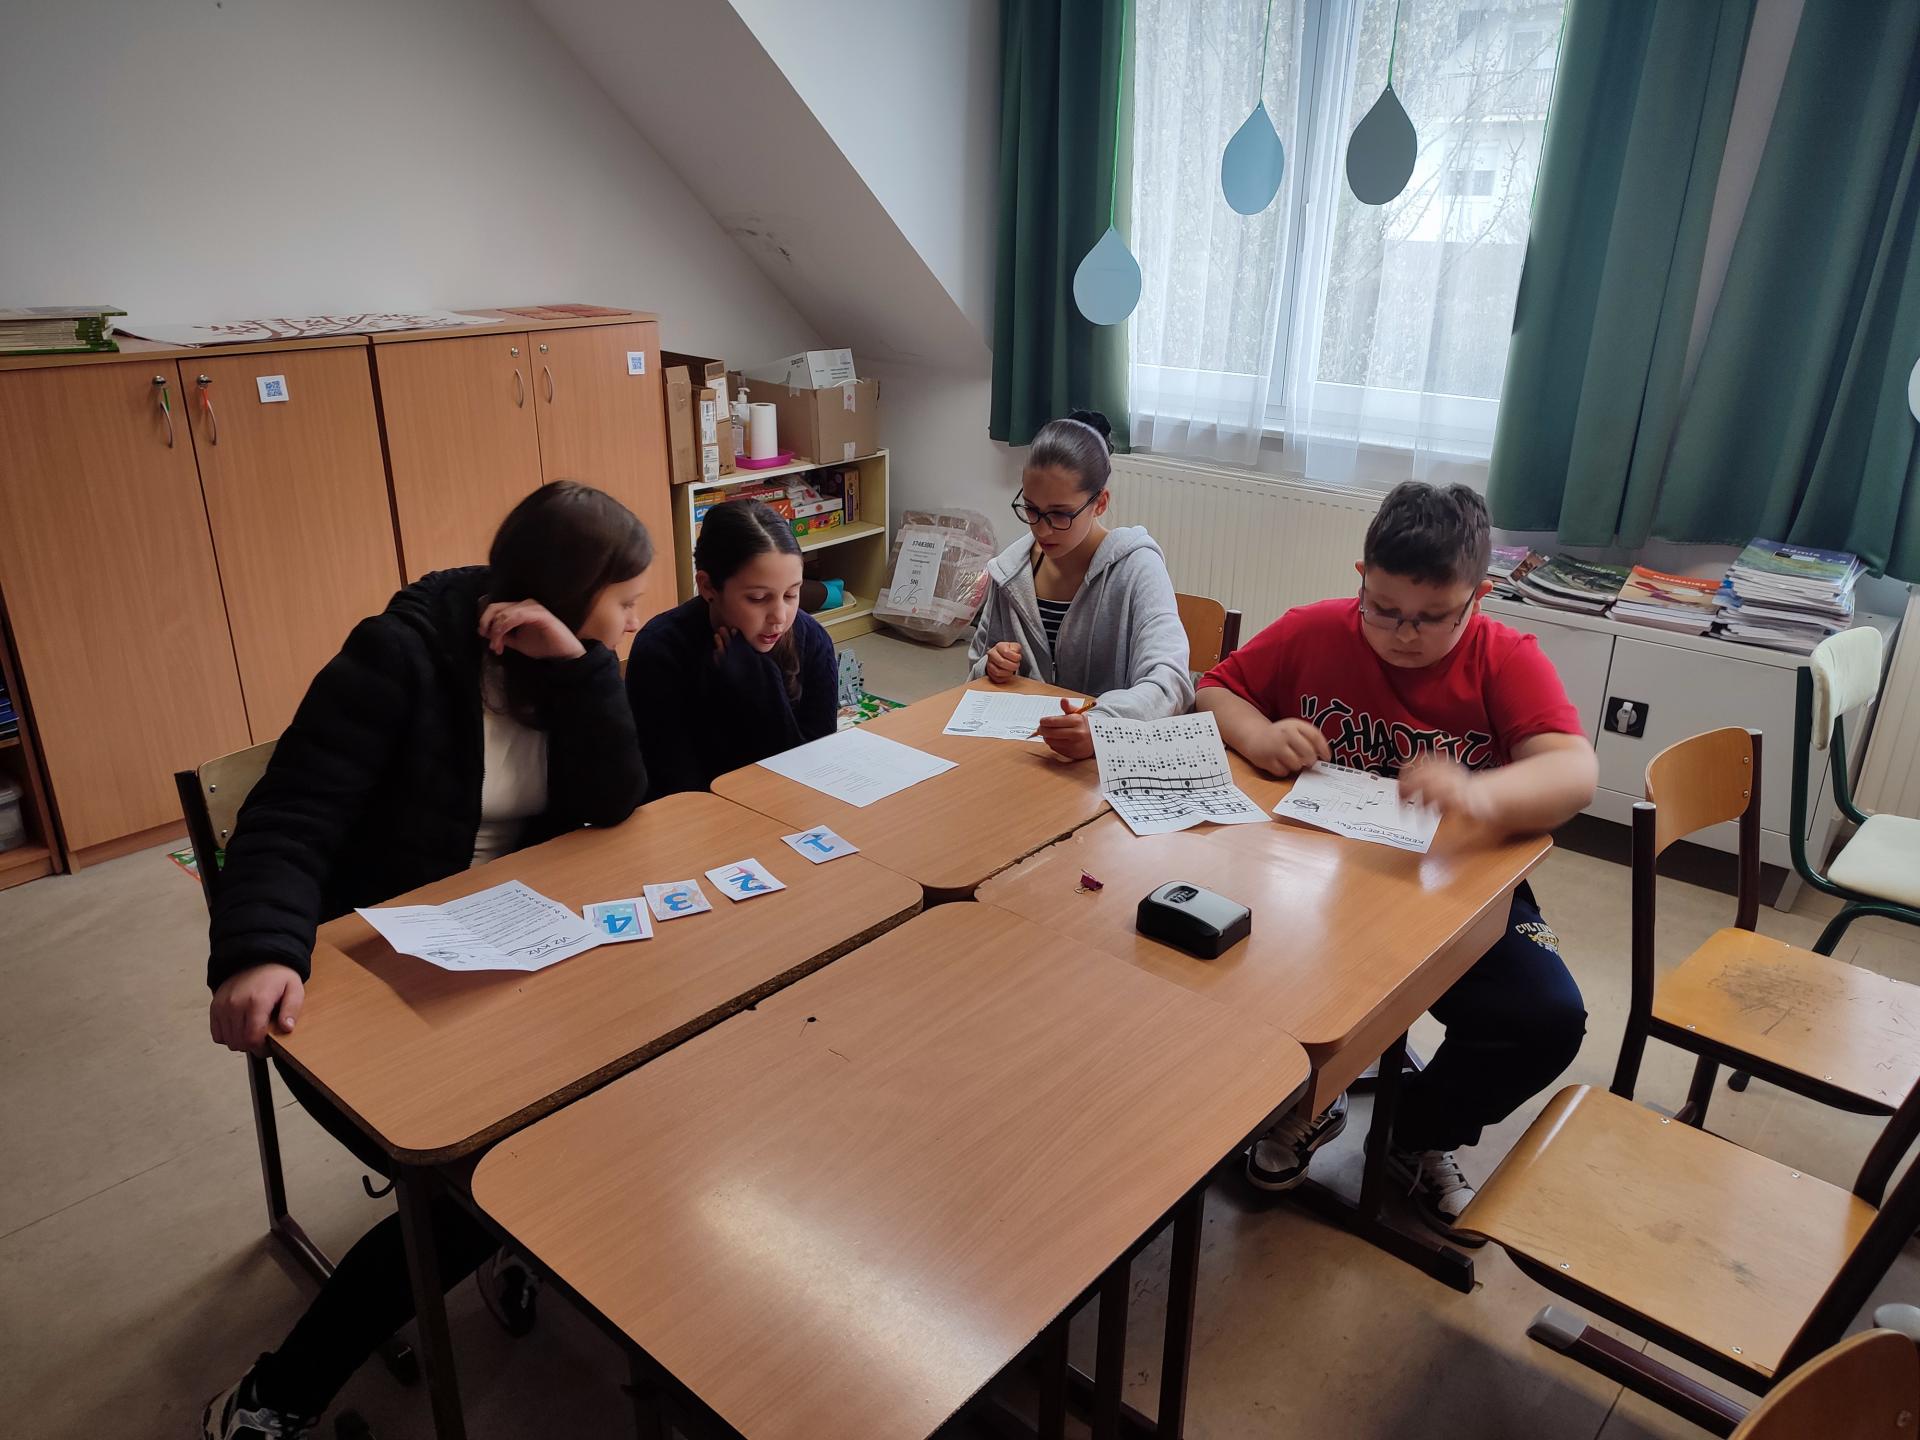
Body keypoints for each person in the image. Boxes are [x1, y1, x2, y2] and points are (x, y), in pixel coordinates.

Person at [202, 482, 654, 1440]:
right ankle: (272, 1397)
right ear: (571, 590)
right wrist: (258, 951)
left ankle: (520, 1241)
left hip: (518, 948)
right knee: (472, 1188)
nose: (633, 620)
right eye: (623, 602)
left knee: (652, 1070)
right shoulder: (399, 657)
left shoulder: (569, 660)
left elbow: (616, 802)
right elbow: (290, 818)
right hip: (383, 969)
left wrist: (582, 669)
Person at [1196, 481, 1595, 1240]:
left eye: (1432, 617)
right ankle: (1306, 1099)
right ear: (1360, 578)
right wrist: (1258, 733)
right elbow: (1215, 690)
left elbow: (1574, 773)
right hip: (1315, 877)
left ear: (1478, 597)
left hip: (1452, 890)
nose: (1404, 634)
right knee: (1222, 951)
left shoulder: (1504, 658)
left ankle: (1416, 1132)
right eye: (1382, 609)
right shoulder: (1316, 629)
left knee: (1546, 1018)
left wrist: (1477, 792)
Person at [967, 409, 1192, 759]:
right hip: (1027, 756)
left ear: (1100, 503)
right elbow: (974, 674)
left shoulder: (1138, 569)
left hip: (1107, 763)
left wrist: (1102, 725)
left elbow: (1169, 683)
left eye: (1060, 514)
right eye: (1031, 509)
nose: (1042, 529)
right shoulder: (1010, 572)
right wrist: (991, 666)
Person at [626, 499, 836, 799]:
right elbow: (675, 788)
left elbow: (814, 769)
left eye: (791, 594)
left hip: (788, 803)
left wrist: (763, 688)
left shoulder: (812, 640)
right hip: (702, 816)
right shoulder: (661, 649)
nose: (779, 617)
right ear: (708, 587)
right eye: (758, 598)